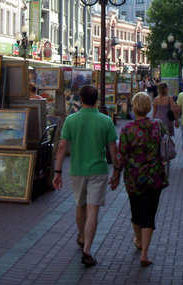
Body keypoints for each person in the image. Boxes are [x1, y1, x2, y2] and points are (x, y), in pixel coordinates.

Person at [53, 84, 118, 266]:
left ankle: (82, 237)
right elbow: (113, 147)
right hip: (98, 170)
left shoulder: (71, 120)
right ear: (97, 99)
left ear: (80, 99)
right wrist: (117, 171)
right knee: (93, 210)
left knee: (80, 207)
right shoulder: (105, 120)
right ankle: (88, 249)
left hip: (77, 170)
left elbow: (61, 147)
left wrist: (58, 172)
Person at [111, 92, 168, 267]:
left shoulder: (128, 129)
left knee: (136, 212)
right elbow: (167, 145)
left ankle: (138, 240)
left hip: (133, 177)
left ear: (134, 107)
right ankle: (144, 253)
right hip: (155, 176)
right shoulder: (158, 125)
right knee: (149, 214)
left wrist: (116, 175)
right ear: (149, 107)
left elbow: (121, 155)